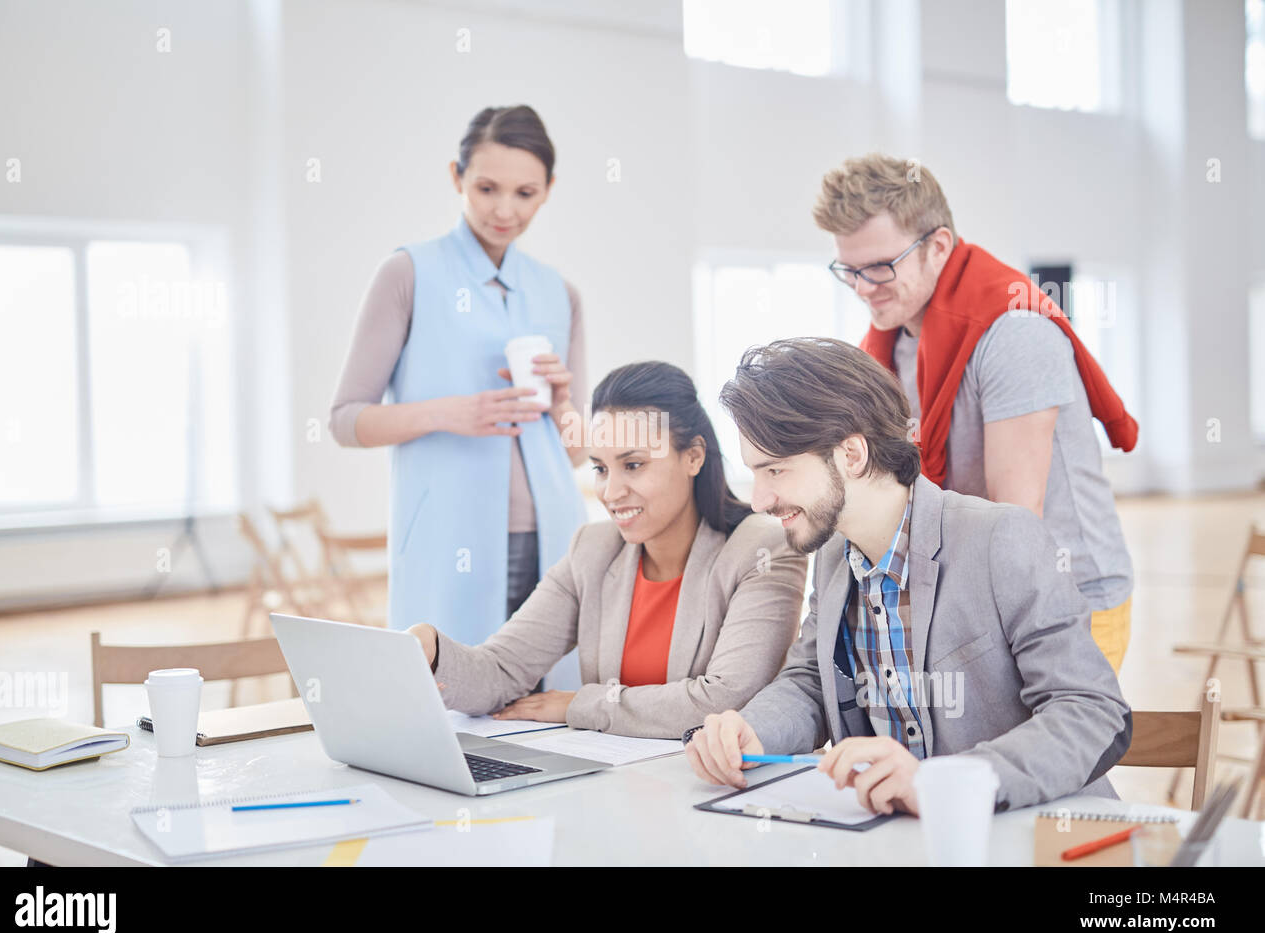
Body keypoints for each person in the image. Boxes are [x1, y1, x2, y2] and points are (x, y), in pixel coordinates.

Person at [685, 338, 1132, 814]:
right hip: (901, 839)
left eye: (775, 470)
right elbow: (812, 681)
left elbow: (1092, 712)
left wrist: (946, 784)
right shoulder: (835, 554)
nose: (759, 500)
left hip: (1034, 833)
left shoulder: (1000, 538)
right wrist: (752, 729)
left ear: (851, 455)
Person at [813, 154, 1137, 672]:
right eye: (849, 270)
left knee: (1047, 730)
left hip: (1067, 596)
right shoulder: (892, 341)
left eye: (879, 267)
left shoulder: (1015, 335)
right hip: (974, 588)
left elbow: (1015, 523)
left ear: (938, 246)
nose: (863, 287)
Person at [403, 362, 808, 739]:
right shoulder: (592, 550)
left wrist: (581, 705)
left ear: (693, 457)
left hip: (713, 776)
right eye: (600, 468)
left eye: (633, 465)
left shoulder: (762, 549)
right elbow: (502, 670)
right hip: (613, 775)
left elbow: (725, 700)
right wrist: (433, 650)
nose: (611, 493)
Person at [329, 105, 588, 688]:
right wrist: (452, 412)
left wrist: (562, 404)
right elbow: (346, 421)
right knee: (447, 699)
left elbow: (578, 453)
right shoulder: (408, 273)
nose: (505, 210)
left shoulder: (560, 293)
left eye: (525, 193)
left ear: (548, 190)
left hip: (555, 538)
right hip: (448, 537)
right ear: (456, 177)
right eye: (487, 188)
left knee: (549, 705)